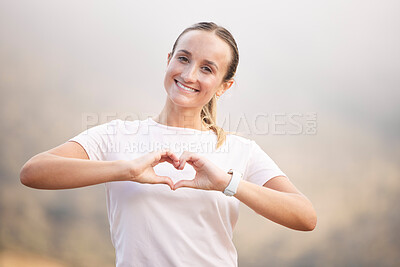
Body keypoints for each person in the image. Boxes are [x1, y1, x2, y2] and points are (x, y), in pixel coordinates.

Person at [20, 22, 317, 267]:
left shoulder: (241, 151)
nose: (188, 75)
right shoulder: (117, 135)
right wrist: (125, 170)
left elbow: (305, 216)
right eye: (184, 58)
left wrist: (226, 183)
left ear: (225, 86)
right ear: (168, 60)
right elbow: (33, 172)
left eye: (207, 69)